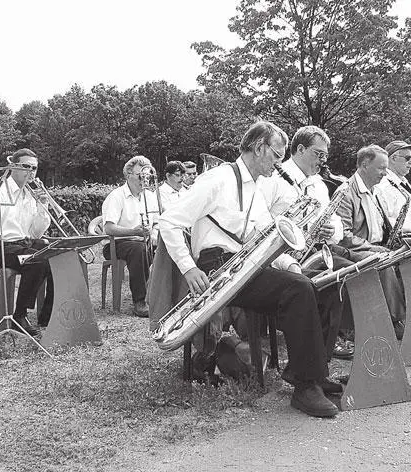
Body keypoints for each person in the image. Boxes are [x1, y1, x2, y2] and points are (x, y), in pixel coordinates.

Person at [158, 121, 339, 418]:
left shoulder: (259, 186)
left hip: (241, 264)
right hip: (217, 265)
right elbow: (169, 222)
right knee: (298, 289)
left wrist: (298, 253)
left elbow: (266, 236)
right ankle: (305, 386)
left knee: (310, 284)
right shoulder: (217, 179)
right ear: (258, 148)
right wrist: (189, 269)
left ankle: (312, 375)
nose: (279, 164)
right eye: (277, 156)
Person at [278, 125, 355, 361]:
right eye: (318, 154)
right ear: (300, 149)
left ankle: (324, 354)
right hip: (283, 255)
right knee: (336, 278)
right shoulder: (276, 179)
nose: (322, 161)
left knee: (347, 272)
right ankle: (317, 358)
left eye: (325, 155)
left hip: (312, 251)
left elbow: (336, 224)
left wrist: (331, 230)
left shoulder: (319, 185)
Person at [0, 148, 54, 336]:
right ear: (12, 166)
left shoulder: (29, 195)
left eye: (34, 168)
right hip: (0, 247)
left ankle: (48, 315)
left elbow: (35, 232)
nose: (31, 172)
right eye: (26, 166)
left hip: (22, 244)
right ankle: (19, 316)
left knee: (54, 253)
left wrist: (44, 208)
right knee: (36, 259)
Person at [334, 145, 406, 337]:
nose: (385, 173)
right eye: (381, 168)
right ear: (365, 165)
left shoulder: (374, 190)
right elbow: (343, 237)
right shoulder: (345, 193)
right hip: (353, 250)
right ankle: (394, 320)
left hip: (373, 246)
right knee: (383, 262)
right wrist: (375, 248)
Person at [101, 156, 159, 317]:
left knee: (167, 246)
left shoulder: (150, 196)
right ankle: (140, 301)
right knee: (138, 249)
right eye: (141, 175)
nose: (144, 179)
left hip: (142, 240)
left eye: (147, 175)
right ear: (128, 175)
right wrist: (134, 232)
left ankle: (162, 296)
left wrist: (154, 233)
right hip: (119, 243)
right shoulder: (117, 196)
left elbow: (156, 223)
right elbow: (109, 228)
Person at [375, 140, 411, 238]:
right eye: (407, 158)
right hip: (398, 245)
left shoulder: (404, 183)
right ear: (393, 158)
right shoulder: (383, 186)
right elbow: (384, 221)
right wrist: (410, 227)